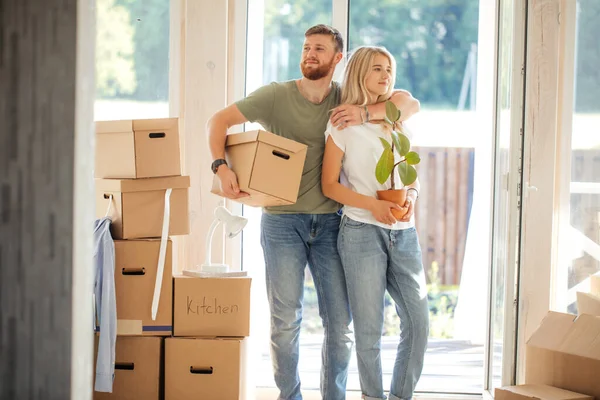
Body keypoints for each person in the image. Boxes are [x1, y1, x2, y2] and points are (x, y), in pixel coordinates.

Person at [207, 25, 420, 400]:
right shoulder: (275, 96)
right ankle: (290, 397)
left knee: (340, 326)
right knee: (285, 321)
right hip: (281, 222)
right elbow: (218, 122)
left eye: (319, 49)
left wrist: (364, 112)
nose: (310, 54)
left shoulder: (346, 99)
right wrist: (220, 167)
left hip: (332, 223)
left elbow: (408, 102)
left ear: (338, 59)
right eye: (306, 47)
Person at [321, 45, 430, 400]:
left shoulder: (397, 116)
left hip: (404, 233)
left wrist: (411, 196)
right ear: (359, 73)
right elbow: (329, 185)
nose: (386, 76)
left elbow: (411, 103)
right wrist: (372, 205)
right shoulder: (341, 124)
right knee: (369, 331)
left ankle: (400, 396)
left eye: (389, 69)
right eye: (377, 69)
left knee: (418, 322)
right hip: (361, 232)